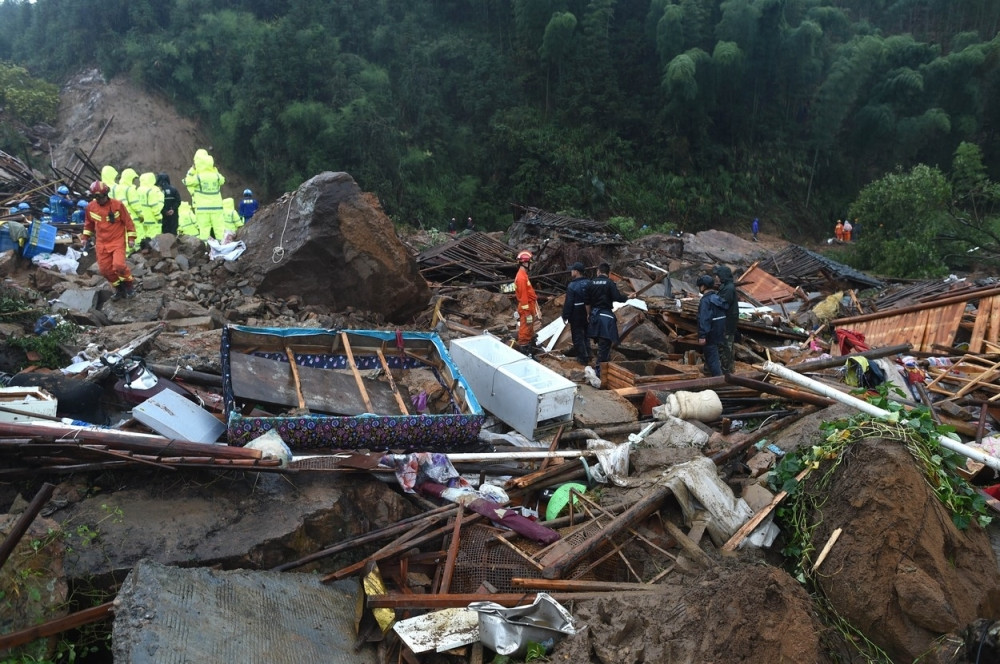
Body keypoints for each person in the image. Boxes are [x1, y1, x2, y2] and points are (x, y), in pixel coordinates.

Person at [81, 180, 138, 299]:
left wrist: (131, 238)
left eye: (100, 197)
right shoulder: (91, 207)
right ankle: (119, 289)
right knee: (105, 270)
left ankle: (129, 286)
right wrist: (85, 238)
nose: (99, 200)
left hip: (117, 241)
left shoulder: (117, 205)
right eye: (96, 198)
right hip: (102, 243)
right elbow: (88, 224)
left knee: (119, 265)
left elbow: (128, 222)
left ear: (106, 194)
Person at [586, 262, 628, 375]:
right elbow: (617, 298)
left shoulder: (591, 283)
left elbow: (587, 302)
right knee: (604, 346)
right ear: (608, 273)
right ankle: (600, 373)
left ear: (598, 271)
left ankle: (601, 369)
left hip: (594, 317)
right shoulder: (610, 283)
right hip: (606, 318)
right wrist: (627, 297)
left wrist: (588, 315)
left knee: (600, 344)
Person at [184, 150, 226, 240]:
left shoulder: (198, 177)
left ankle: (206, 250)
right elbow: (222, 180)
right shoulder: (216, 176)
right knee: (219, 229)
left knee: (204, 230)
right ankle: (223, 248)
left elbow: (187, 181)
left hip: (202, 208)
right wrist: (213, 169)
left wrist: (192, 169)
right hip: (216, 207)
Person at [696, 274, 727, 377]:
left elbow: (704, 319)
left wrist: (702, 335)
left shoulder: (705, 301)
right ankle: (711, 372)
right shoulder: (717, 298)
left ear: (703, 286)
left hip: (710, 333)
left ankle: (718, 380)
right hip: (720, 331)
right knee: (717, 356)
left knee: (712, 357)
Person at [561, 262, 591, 365]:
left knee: (577, 336)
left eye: (572, 270)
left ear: (576, 272)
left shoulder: (572, 285)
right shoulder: (589, 282)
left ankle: (582, 358)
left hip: (576, 314)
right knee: (586, 335)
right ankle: (589, 354)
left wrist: (565, 315)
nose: (571, 271)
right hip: (587, 312)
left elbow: (569, 302)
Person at [712, 265, 739, 374]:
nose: (716, 278)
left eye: (718, 275)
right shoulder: (726, 286)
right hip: (726, 321)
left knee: (726, 346)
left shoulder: (728, 289)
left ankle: (726, 370)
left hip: (727, 322)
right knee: (726, 345)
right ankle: (728, 368)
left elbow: (722, 304)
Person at [514, 250, 540, 354]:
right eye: (530, 263)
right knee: (525, 330)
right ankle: (524, 351)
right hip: (526, 309)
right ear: (525, 263)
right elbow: (523, 297)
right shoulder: (521, 277)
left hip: (529, 307)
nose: (532, 265)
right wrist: (527, 312)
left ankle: (529, 351)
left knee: (529, 329)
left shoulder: (523, 275)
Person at [137, 172, 164, 243]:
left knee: (144, 238)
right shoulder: (152, 191)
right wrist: (158, 217)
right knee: (154, 239)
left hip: (142, 220)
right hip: (152, 219)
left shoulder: (138, 190)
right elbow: (155, 206)